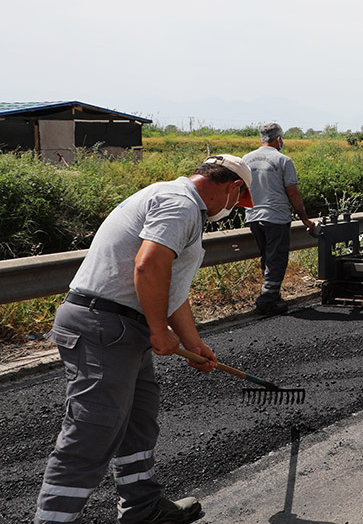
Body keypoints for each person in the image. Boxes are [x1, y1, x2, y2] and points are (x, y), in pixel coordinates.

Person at [35, 155, 253, 524]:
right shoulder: (180, 204)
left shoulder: (178, 202)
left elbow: (170, 288)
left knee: (138, 419)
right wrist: (158, 331)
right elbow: (148, 266)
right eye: (239, 201)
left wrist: (193, 344)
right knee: (94, 430)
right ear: (232, 188)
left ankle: (143, 508)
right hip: (103, 324)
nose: (234, 210)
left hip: (121, 326)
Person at [242, 123, 315, 316]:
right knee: (277, 260)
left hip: (253, 217)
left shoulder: (246, 159)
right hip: (275, 217)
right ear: (279, 139)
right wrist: (305, 219)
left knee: (268, 258)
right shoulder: (283, 160)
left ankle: (273, 296)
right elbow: (293, 193)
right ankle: (265, 302)